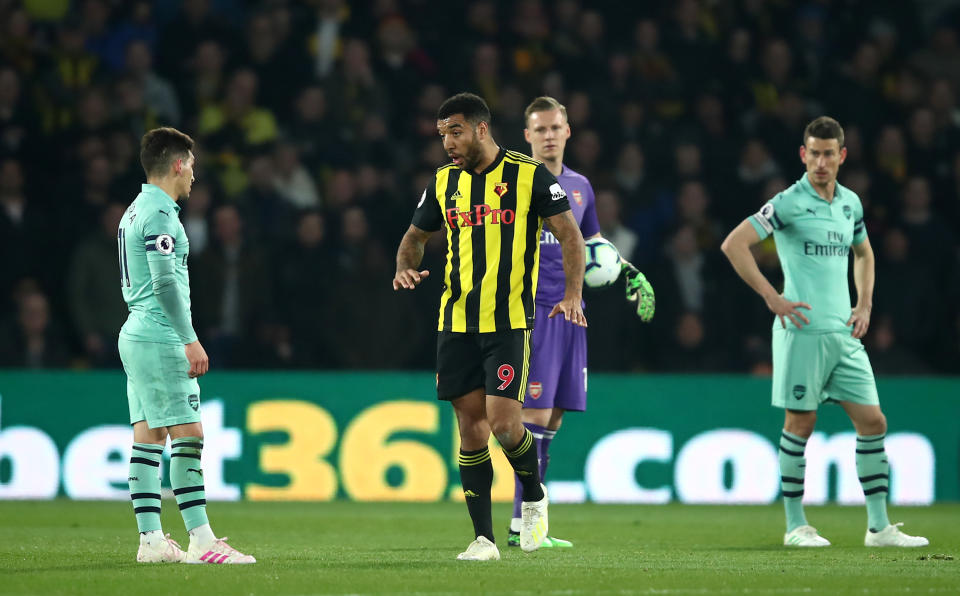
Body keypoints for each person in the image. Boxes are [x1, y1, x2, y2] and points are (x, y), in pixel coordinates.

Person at [720, 116, 928, 548]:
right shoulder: (788, 202)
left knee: (873, 421)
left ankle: (878, 528)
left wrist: (865, 303)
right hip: (802, 332)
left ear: (842, 156)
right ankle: (796, 526)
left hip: (844, 335)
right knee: (801, 423)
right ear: (803, 154)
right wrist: (771, 297)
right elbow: (734, 244)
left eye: (828, 153)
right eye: (813, 153)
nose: (820, 161)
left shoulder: (850, 203)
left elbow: (864, 253)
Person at [393, 92, 585, 561]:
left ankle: (533, 495)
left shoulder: (528, 174)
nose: (448, 144)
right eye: (442, 135)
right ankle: (484, 540)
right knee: (469, 428)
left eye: (455, 132)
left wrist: (573, 294)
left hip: (508, 322)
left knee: (503, 423)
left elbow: (570, 236)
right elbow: (414, 237)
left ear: (481, 128)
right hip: (455, 321)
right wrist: (404, 266)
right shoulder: (443, 182)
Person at [506, 97, 655, 549]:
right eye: (540, 129)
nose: (548, 135)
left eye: (556, 127)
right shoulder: (514, 183)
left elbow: (592, 244)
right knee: (530, 418)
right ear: (527, 136)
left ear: (568, 132)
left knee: (552, 419)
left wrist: (627, 269)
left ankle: (530, 525)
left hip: (573, 312)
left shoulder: (581, 186)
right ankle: (523, 526)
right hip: (534, 313)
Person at [118, 127, 255, 564]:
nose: (194, 174)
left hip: (135, 332)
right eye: (192, 164)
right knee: (189, 434)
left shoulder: (133, 211)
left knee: (148, 437)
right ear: (178, 164)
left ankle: (151, 541)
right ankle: (202, 541)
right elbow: (163, 283)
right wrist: (190, 340)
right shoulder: (161, 215)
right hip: (160, 336)